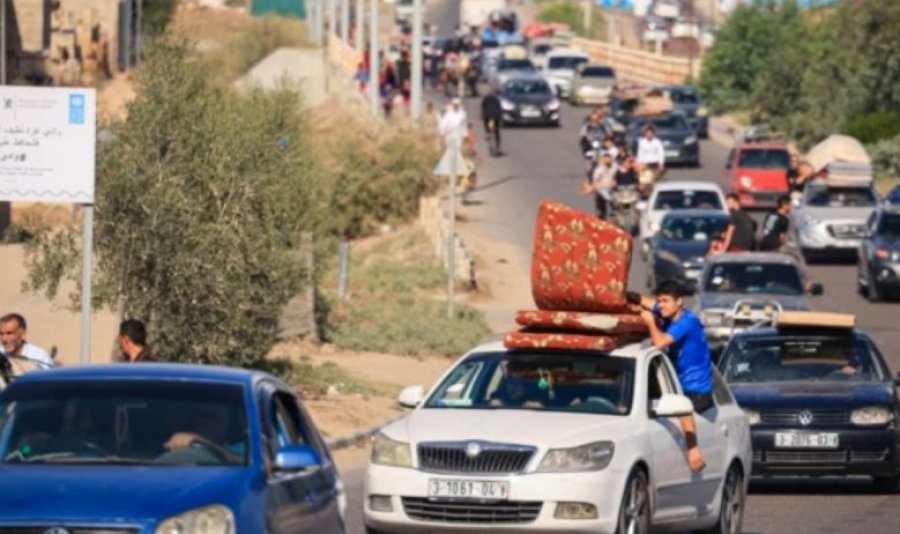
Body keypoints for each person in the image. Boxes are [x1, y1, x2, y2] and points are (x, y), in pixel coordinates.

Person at [633, 281, 713, 473]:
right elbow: (642, 300)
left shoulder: (687, 322)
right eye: (659, 301)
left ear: (679, 302)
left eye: (665, 301)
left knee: (679, 402)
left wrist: (650, 322)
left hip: (696, 392)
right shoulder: (666, 311)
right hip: (676, 385)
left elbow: (659, 342)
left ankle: (693, 450)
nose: (660, 305)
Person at [584, 151, 618, 219]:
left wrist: (614, 182)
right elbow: (595, 181)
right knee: (602, 203)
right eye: (606, 159)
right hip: (601, 189)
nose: (609, 161)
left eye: (610, 159)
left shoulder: (615, 167)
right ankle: (601, 214)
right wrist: (596, 187)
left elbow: (618, 176)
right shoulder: (599, 169)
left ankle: (613, 211)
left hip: (612, 188)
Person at [480, 87, 503, 153]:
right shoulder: (496, 99)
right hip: (496, 116)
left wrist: (481, 114)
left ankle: (488, 133)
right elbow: (499, 109)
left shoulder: (485, 99)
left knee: (489, 126)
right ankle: (498, 146)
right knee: (496, 131)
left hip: (489, 117)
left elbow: (482, 107)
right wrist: (500, 119)